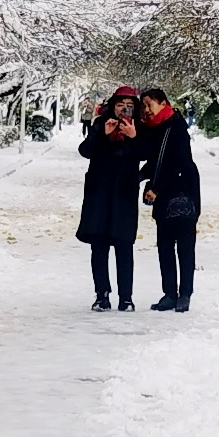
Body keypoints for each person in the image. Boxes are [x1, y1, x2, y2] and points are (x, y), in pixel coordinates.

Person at [77, 88, 146, 310]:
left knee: (124, 245)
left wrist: (134, 138)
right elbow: (85, 151)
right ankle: (101, 294)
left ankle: (126, 297)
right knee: (99, 245)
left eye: (129, 105)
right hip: (99, 193)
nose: (124, 110)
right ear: (112, 106)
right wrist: (102, 135)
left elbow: (147, 154)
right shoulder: (100, 124)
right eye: (120, 105)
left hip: (124, 194)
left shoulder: (139, 127)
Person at [138, 87, 200, 310]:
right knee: (164, 246)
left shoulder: (175, 127)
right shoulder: (154, 129)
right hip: (164, 196)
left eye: (150, 104)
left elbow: (178, 164)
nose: (146, 110)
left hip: (182, 191)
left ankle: (185, 294)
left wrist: (157, 188)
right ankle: (169, 293)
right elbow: (155, 161)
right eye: (143, 105)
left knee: (184, 246)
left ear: (163, 103)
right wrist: (139, 177)